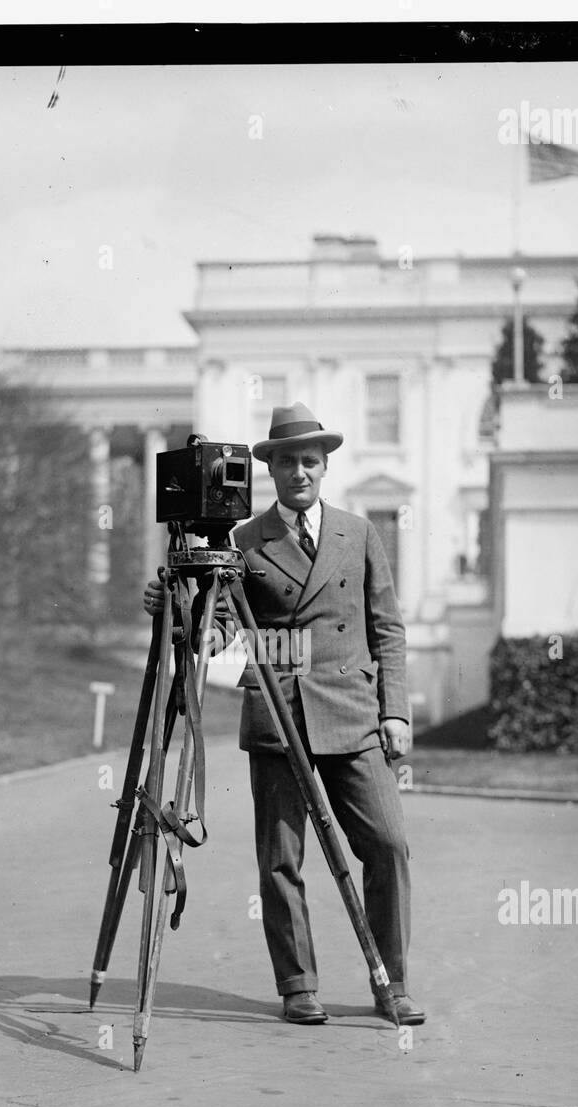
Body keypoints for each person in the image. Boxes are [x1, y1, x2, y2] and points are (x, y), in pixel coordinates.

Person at [143, 401, 424, 1026]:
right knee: (281, 860)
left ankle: (392, 979)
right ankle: (298, 984)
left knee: (388, 845)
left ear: (324, 467)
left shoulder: (360, 532)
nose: (299, 472)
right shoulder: (244, 540)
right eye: (287, 462)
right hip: (277, 712)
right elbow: (217, 636)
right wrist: (177, 610)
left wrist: (396, 712)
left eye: (309, 461)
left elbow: (388, 629)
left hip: (353, 714)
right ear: (269, 469)